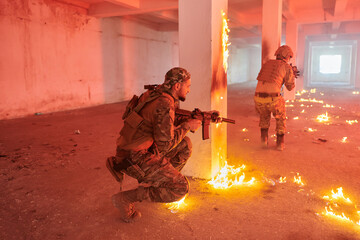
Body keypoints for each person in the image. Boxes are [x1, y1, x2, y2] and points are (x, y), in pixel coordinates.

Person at [106, 67, 202, 223]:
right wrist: (187, 126)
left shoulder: (153, 94)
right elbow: (165, 145)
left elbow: (158, 126)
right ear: (177, 86)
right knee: (181, 188)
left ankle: (160, 181)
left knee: (185, 144)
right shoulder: (165, 104)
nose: (189, 90)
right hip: (134, 158)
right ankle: (125, 198)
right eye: (188, 86)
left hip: (130, 150)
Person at [254, 45, 296, 151]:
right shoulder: (287, 67)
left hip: (257, 98)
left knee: (264, 116)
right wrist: (292, 74)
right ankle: (280, 144)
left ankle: (263, 142)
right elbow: (290, 87)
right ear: (287, 56)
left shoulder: (267, 63)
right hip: (273, 99)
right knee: (280, 118)